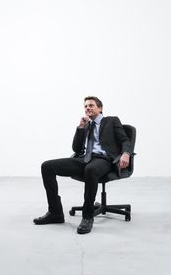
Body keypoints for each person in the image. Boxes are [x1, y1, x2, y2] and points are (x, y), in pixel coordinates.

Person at [33, 96, 131, 234]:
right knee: (47, 166)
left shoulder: (111, 120)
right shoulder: (86, 125)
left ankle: (87, 216)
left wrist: (126, 153)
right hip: (85, 159)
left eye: (91, 105)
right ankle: (55, 213)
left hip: (104, 160)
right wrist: (80, 128)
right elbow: (77, 149)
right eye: (85, 106)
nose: (87, 108)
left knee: (91, 170)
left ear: (100, 108)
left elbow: (125, 140)